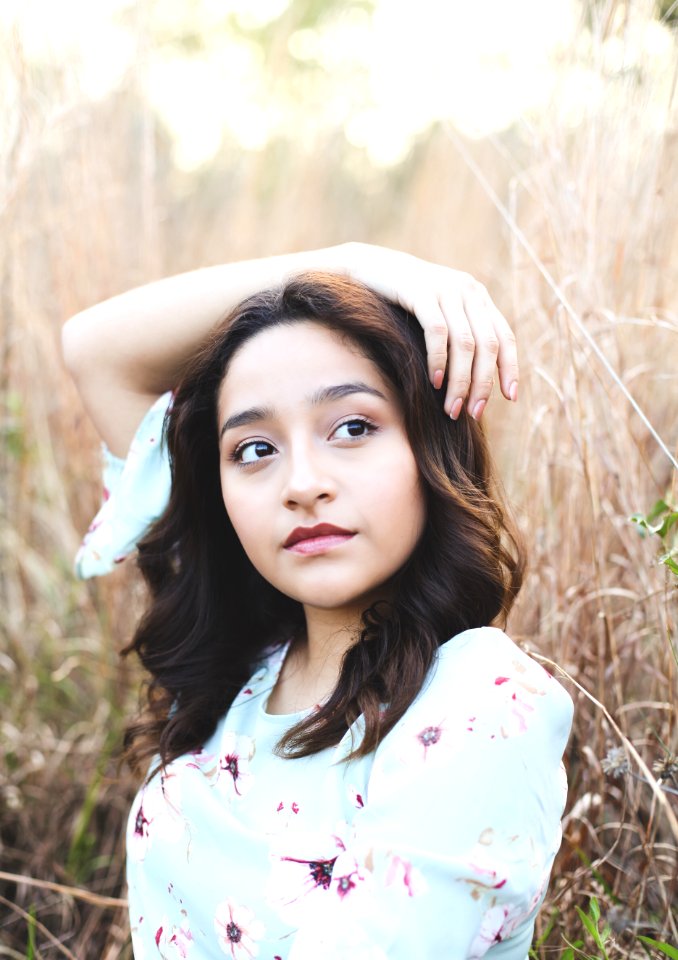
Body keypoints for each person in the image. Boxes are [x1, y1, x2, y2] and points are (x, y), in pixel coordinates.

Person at [62, 243, 572, 960]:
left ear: (431, 448)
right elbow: (93, 351)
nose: (302, 482)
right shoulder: (236, 676)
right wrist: (349, 260)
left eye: (353, 428)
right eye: (254, 449)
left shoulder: (478, 700)